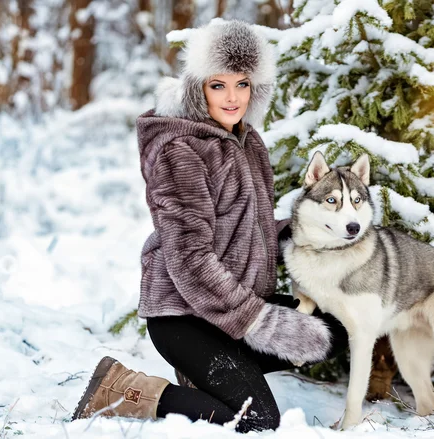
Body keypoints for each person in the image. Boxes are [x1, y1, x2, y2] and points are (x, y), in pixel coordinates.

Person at [71, 20, 348, 433]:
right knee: (257, 420)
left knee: (333, 327)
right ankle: (122, 389)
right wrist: (261, 323)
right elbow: (191, 260)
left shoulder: (246, 142)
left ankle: (211, 378)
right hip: (182, 314)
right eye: (218, 85)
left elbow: (246, 231)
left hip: (227, 312)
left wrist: (306, 232)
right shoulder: (179, 150)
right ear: (198, 87)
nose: (232, 97)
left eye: (242, 84)